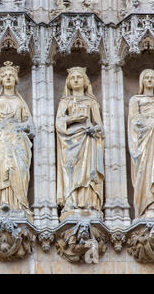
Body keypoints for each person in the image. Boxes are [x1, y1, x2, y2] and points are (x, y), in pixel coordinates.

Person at [0, 61, 34, 215]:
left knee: (18, 170)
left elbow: (30, 126)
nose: (8, 78)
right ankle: (2, 202)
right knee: (2, 169)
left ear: (16, 80)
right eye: (4, 75)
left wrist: (19, 127)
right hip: (1, 142)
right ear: (0, 79)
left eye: (11, 75)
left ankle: (19, 204)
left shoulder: (20, 102)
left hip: (18, 142)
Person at [56, 67, 105, 217]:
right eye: (73, 78)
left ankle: (88, 203)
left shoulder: (91, 102)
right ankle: (71, 202)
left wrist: (94, 130)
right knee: (71, 172)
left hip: (87, 140)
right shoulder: (65, 102)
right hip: (70, 141)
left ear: (85, 81)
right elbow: (59, 123)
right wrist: (74, 119)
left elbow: (100, 126)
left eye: (79, 77)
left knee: (87, 173)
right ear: (68, 83)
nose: (76, 80)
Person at [128, 69, 154, 218]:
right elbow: (133, 121)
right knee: (146, 170)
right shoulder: (135, 100)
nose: (149, 80)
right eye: (146, 77)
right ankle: (146, 206)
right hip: (144, 141)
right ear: (141, 81)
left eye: (152, 77)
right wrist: (150, 120)